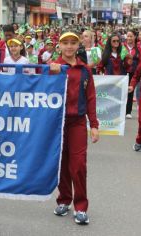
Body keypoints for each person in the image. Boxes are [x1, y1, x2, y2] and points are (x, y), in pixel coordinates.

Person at [50, 32, 99, 225]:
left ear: (78, 45)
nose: (69, 47)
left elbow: (91, 98)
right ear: (59, 46)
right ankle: (64, 200)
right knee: (61, 163)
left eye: (73, 43)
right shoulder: (52, 68)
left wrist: (94, 125)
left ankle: (81, 206)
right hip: (57, 123)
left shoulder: (85, 69)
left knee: (78, 165)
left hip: (78, 122)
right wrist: (50, 74)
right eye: (65, 43)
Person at [124, 30, 141, 118]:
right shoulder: (122, 47)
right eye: (128, 36)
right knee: (121, 91)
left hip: (133, 73)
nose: (129, 38)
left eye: (131, 36)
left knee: (130, 91)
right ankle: (120, 110)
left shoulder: (138, 49)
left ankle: (128, 111)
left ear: (134, 37)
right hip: (122, 73)